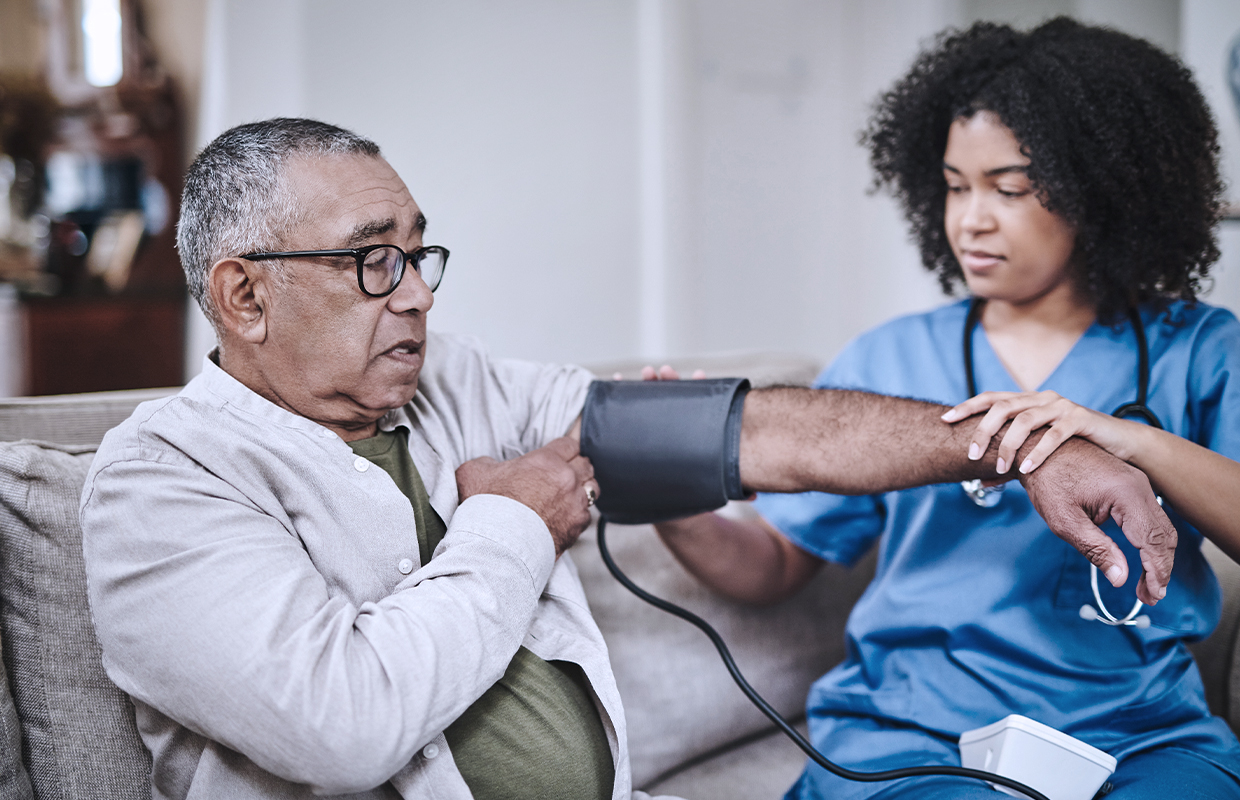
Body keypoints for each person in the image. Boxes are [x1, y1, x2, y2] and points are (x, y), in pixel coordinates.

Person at [79, 117, 1173, 800]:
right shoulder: (162, 480)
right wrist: (510, 523)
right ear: (244, 294)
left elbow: (757, 435)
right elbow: (343, 723)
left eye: (418, 253)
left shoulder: (455, 384)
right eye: (372, 260)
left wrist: (1018, 444)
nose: (414, 290)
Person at [652, 18, 1240, 799]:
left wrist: (1133, 444)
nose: (970, 219)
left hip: (1137, 736)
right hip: (914, 736)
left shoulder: (1197, 350)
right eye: (956, 186)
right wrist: (678, 504)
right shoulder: (888, 361)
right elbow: (773, 567)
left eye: (1010, 188)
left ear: (1102, 189)